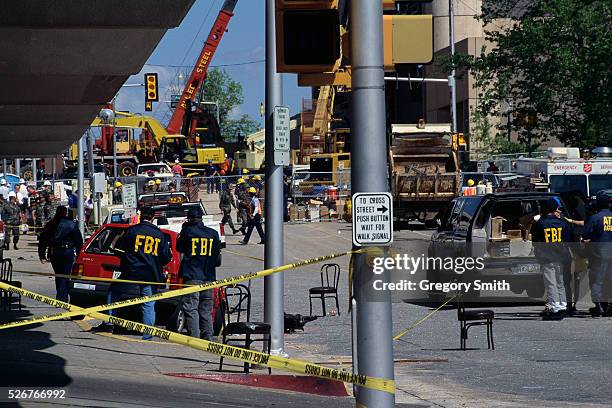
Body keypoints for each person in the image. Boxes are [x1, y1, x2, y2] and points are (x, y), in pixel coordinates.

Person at [95, 206, 172, 338]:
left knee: (114, 293)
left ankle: (109, 322)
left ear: (140, 216)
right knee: (148, 304)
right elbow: (166, 258)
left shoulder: (132, 231)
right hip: (150, 274)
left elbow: (118, 249)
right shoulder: (159, 234)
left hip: (131, 272)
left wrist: (127, 259)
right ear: (153, 218)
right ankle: (147, 336)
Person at [176, 207, 221, 340]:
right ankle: (208, 337)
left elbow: (179, 247)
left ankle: (194, 337)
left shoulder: (187, 232)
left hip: (192, 275)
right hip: (209, 277)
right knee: (206, 309)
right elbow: (217, 256)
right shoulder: (213, 233)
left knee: (191, 308)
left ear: (189, 219)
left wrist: (183, 230)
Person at [531, 198, 574, 320]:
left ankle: (554, 308)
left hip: (547, 257)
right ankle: (562, 306)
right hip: (561, 257)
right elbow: (568, 239)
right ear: (555, 209)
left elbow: (536, 241)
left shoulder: (541, 223)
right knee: (561, 283)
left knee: (551, 284)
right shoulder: (562, 222)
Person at [38, 206, 83, 302]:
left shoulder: (51, 224)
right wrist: (79, 254)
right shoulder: (71, 224)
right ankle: (62, 298)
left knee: (59, 275)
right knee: (65, 276)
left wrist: (42, 255)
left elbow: (43, 240)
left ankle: (61, 296)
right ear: (65, 213)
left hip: (55, 252)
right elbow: (78, 240)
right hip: (67, 252)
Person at [582, 193, 612, 317]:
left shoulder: (595, 218)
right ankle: (609, 305)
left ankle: (599, 306)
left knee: (597, 280)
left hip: (599, 255)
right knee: (610, 280)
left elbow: (586, 235)